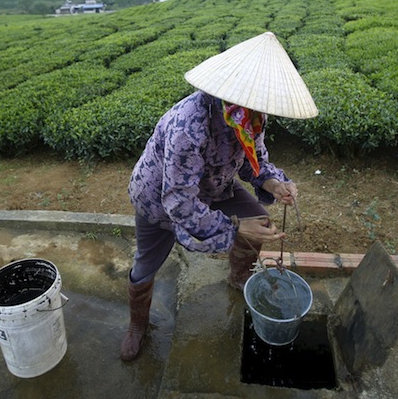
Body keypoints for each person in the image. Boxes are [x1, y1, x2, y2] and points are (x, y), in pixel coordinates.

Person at [120, 32, 318, 361]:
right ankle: (137, 324)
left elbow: (256, 162)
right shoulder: (190, 124)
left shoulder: (250, 117)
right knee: (145, 265)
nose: (261, 108)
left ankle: (239, 275)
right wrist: (234, 227)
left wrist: (274, 184)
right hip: (159, 200)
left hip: (215, 186)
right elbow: (179, 202)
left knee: (259, 218)